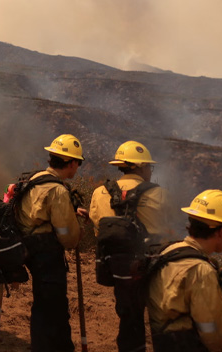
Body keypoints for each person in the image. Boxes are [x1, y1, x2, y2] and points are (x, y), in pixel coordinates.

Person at [89, 140, 168, 352]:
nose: (150, 171)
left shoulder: (100, 193)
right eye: (149, 166)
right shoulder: (157, 194)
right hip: (149, 265)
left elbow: (99, 231)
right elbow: (167, 231)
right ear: (140, 167)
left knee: (129, 317)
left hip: (115, 266)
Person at [146, 189, 222, 352]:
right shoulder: (201, 270)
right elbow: (212, 335)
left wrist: (220, 298)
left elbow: (175, 296)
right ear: (220, 231)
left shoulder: (170, 250)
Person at [16, 133, 86, 352]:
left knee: (42, 305)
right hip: (47, 255)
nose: (78, 168)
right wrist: (76, 232)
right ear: (72, 163)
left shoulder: (36, 178)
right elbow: (67, 236)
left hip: (29, 250)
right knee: (54, 307)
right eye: (79, 163)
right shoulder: (57, 190)